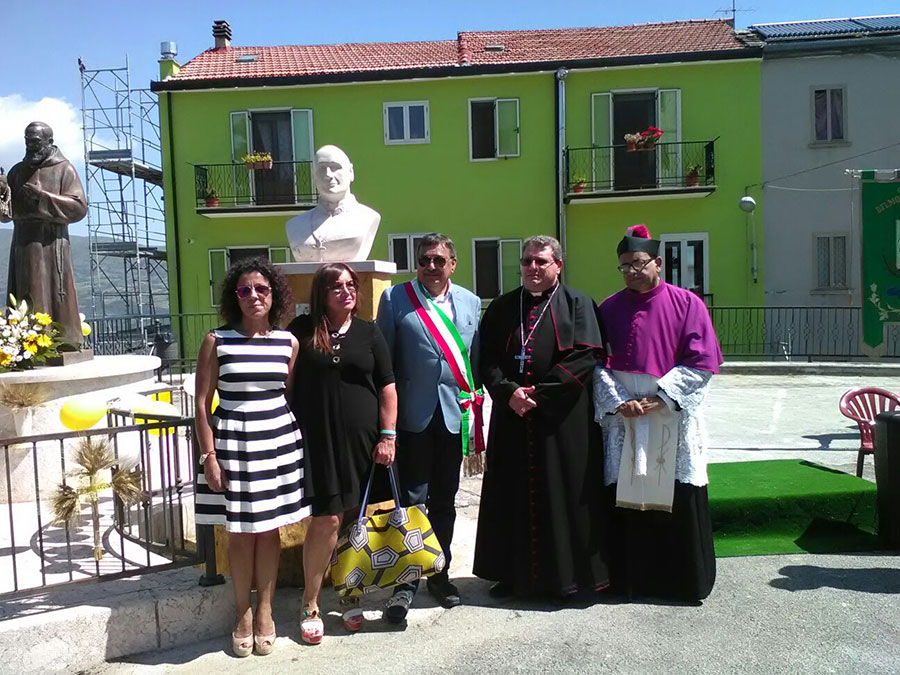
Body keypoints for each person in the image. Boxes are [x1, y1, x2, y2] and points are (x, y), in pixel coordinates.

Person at [473, 235, 609, 599]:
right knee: (511, 495)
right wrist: (507, 393)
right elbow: (485, 359)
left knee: (562, 494)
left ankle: (567, 578)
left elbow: (587, 355)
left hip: (561, 419)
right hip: (513, 416)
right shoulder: (503, 307)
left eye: (541, 261)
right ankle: (512, 575)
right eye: (527, 261)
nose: (533, 268)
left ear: (558, 266)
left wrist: (541, 395)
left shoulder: (578, 304)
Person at [594, 224, 723, 602]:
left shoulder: (688, 304)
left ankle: (680, 582)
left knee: (676, 493)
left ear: (658, 262)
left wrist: (661, 397)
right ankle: (629, 582)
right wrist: (619, 400)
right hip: (625, 418)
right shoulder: (608, 307)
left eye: (638, 263)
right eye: (624, 266)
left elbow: (702, 362)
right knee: (624, 493)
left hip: (670, 415)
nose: (632, 271)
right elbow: (597, 363)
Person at [194, 257, 309, 657]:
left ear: (274, 295)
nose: (253, 296)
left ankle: (265, 611)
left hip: (276, 443)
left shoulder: (287, 342)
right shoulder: (216, 340)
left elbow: (288, 395)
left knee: (269, 532)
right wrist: (210, 455)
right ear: (234, 297)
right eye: (244, 290)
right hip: (233, 446)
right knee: (241, 534)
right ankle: (241, 612)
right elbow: (202, 403)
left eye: (261, 289)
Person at [287, 263, 397, 643]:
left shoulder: (369, 332)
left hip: (362, 442)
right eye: (337, 286)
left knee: (354, 519)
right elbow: (284, 385)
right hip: (317, 440)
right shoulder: (300, 331)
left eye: (351, 285)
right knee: (327, 519)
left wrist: (388, 436)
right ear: (322, 292)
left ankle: (349, 592)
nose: (346, 291)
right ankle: (310, 601)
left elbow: (387, 386)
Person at [375, 232, 482, 622]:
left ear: (453, 263)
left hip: (454, 417)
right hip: (412, 416)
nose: (431, 266)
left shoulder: (470, 302)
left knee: (444, 501)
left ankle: (439, 574)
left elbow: (475, 359)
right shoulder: (394, 299)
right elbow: (384, 362)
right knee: (411, 500)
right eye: (424, 260)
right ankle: (405, 581)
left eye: (439, 260)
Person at [0, 122, 86, 347]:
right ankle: (25, 342)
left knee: (54, 292)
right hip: (23, 241)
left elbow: (78, 207)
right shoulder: (18, 171)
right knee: (26, 290)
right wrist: (2, 194)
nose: (30, 145)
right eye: (27, 140)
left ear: (49, 142)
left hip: (50, 241)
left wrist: (43, 196)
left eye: (35, 141)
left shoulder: (63, 169)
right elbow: (7, 214)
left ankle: (60, 342)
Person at [285, 145, 381, 262]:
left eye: (335, 167)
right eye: (321, 169)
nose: (328, 175)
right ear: (314, 176)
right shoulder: (295, 226)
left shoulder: (368, 217)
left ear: (351, 172)